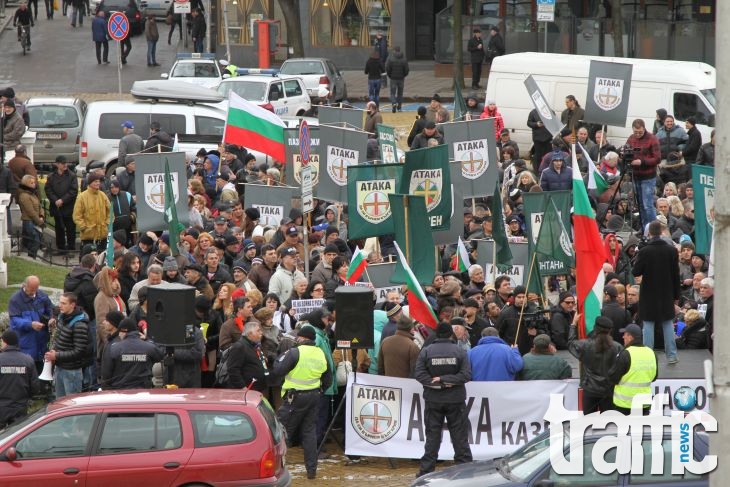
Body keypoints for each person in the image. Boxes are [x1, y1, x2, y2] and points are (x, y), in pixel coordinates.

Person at [273, 324, 331, 480]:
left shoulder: (294, 352)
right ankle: (311, 471)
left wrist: (279, 358)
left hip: (294, 398)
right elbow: (328, 379)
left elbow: (278, 370)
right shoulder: (321, 353)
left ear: (302, 337)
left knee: (281, 432)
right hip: (314, 397)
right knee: (309, 433)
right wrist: (318, 391)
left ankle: (274, 469)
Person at [414, 322, 473, 478]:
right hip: (455, 400)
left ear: (437, 335)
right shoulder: (459, 351)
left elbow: (419, 375)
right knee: (460, 437)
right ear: (450, 334)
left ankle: (426, 472)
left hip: (433, 399)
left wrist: (438, 382)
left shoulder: (426, 351)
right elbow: (466, 375)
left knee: (432, 437)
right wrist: (447, 381)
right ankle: (466, 472)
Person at [632, 220, 680, 363]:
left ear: (649, 233)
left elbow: (636, 271)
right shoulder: (671, 250)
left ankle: (647, 356)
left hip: (648, 293)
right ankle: (671, 355)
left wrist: (639, 254)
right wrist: (676, 295)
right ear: (662, 232)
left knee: (648, 324)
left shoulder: (645, 251)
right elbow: (675, 275)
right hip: (667, 292)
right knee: (667, 323)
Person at [568, 316, 623, 413]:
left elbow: (571, 344)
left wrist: (573, 325)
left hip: (590, 389)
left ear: (595, 328)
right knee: (608, 423)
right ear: (610, 330)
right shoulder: (617, 347)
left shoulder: (585, 345)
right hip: (609, 390)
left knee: (589, 423)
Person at [44, 293, 89, 399]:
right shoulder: (62, 317)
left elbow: (79, 351)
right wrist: (53, 353)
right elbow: (60, 340)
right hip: (60, 367)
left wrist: (57, 356)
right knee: (60, 403)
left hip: (72, 372)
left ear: (72, 305)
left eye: (63, 303)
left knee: (71, 406)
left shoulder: (79, 324)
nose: (60, 305)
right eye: (60, 302)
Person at [609, 323, 658, 415]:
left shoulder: (625, 354)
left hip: (624, 404)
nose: (623, 337)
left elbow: (613, 377)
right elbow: (654, 377)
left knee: (625, 428)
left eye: (625, 334)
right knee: (641, 428)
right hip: (644, 403)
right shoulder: (651, 353)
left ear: (630, 337)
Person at [101, 318, 164, 389]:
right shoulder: (148, 347)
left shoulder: (114, 348)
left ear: (124, 331)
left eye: (119, 332)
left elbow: (106, 375)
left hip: (120, 392)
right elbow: (161, 355)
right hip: (143, 392)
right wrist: (147, 339)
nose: (119, 335)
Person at [626, 119, 661, 229]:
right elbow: (626, 151)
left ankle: (653, 229)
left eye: (640, 132)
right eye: (636, 132)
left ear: (644, 128)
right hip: (635, 176)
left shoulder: (652, 139)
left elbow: (657, 158)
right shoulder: (631, 139)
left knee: (647, 205)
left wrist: (642, 162)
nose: (637, 134)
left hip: (648, 176)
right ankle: (644, 228)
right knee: (640, 205)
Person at [0, 330, 39, 428]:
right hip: (20, 407)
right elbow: (35, 387)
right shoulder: (28, 360)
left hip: (1, 407)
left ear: (5, 342)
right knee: (18, 435)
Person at [45, 156, 78, 253]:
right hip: (57, 207)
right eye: (62, 163)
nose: (65, 165)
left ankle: (71, 248)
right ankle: (61, 248)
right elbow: (48, 189)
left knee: (70, 228)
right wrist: (55, 200)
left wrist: (62, 200)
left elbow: (73, 190)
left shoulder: (72, 176)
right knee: (59, 228)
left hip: (68, 207)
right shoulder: (51, 177)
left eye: (65, 163)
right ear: (57, 164)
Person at [73, 172, 111, 249]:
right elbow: (77, 215)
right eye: (95, 181)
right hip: (88, 237)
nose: (98, 183)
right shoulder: (82, 197)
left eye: (99, 181)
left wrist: (107, 224)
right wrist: (84, 227)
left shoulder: (103, 195)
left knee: (102, 258)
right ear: (90, 183)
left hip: (103, 235)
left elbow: (110, 212)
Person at [17, 174, 44, 259]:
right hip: (29, 221)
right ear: (26, 184)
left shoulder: (33, 194)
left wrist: (41, 215)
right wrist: (39, 221)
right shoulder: (24, 195)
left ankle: (33, 257)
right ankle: (31, 257)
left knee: (36, 240)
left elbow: (40, 206)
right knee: (34, 240)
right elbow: (30, 211)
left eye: (34, 183)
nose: (34, 184)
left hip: (36, 220)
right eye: (31, 183)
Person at [527, 108, 553, 174]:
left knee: (548, 156)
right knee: (538, 157)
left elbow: (554, 122)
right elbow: (529, 123)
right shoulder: (533, 112)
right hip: (537, 139)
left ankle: (547, 172)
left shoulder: (550, 111)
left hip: (548, 138)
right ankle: (538, 172)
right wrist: (536, 124)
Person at [385, 46, 409, 112]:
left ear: (394, 51)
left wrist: (389, 75)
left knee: (392, 93)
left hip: (393, 78)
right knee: (400, 93)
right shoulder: (404, 59)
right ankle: (399, 107)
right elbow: (406, 69)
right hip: (401, 78)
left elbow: (387, 68)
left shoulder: (390, 58)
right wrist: (404, 75)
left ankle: (394, 103)